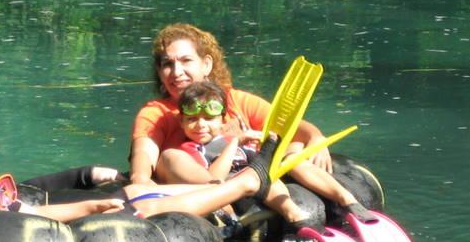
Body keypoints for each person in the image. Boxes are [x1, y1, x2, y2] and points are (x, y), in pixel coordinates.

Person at [0, 123, 281, 222]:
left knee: (134, 193)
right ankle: (246, 182)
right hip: (80, 239)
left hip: (82, 213)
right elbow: (35, 216)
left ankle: (230, 184)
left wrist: (92, 202)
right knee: (147, 209)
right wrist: (90, 209)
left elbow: (34, 210)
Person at [129, 23, 337, 186]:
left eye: (186, 61)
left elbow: (290, 125)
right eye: (168, 64)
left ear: (206, 64)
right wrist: (140, 180)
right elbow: (144, 153)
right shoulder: (156, 112)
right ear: (159, 71)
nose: (176, 72)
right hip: (197, 185)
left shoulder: (236, 100)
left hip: (246, 175)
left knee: (295, 146)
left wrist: (316, 138)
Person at [176, 80, 374, 230]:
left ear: (222, 119)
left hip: (264, 168)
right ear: (181, 124)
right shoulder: (190, 149)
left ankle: (347, 200)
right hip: (241, 181)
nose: (201, 125)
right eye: (192, 119)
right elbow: (215, 178)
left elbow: (274, 147)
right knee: (261, 176)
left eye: (209, 118)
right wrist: (235, 142)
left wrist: (272, 141)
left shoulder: (235, 134)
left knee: (291, 160)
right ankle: (294, 215)